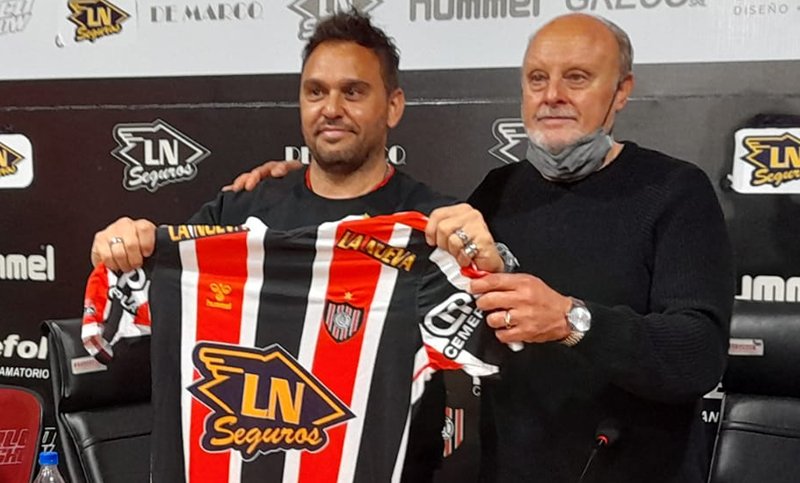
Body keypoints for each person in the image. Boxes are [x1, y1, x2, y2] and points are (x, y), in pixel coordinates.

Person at [226, 13, 735, 483]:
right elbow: (389, 269)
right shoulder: (495, 193)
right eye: (537, 79)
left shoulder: (674, 191)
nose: (553, 95)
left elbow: (699, 355)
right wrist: (297, 188)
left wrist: (572, 320)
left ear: (621, 91)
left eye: (577, 78)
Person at [88, 10, 507, 483]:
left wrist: (489, 265)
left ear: (393, 106)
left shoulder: (431, 229)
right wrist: (122, 250)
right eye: (316, 92)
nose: (331, 108)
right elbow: (141, 305)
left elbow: (505, 340)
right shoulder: (237, 212)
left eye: (353, 92)